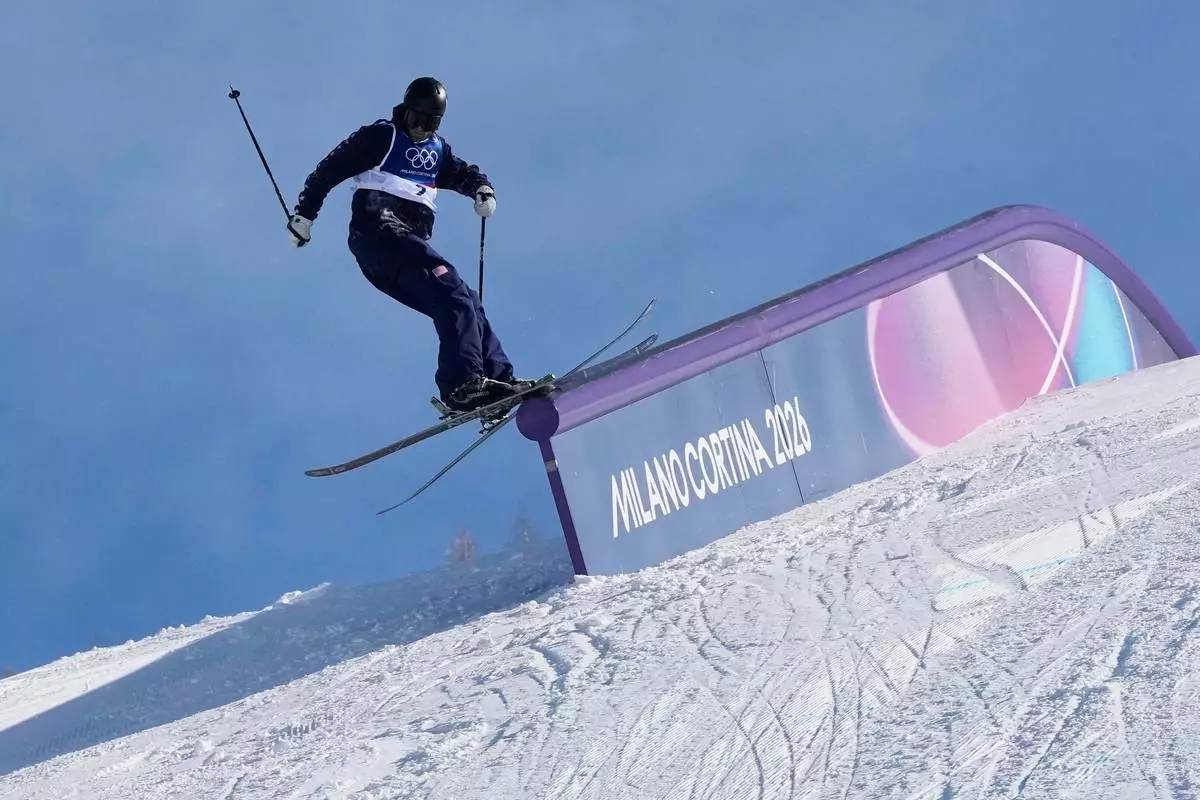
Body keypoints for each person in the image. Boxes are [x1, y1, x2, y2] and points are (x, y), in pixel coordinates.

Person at [286, 76, 535, 415]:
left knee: (465, 301)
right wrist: (305, 215)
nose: (421, 128)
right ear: (405, 111)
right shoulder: (381, 136)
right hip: (380, 235)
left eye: (430, 123)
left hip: (405, 250)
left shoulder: (436, 151)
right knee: (453, 293)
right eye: (417, 119)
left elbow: (464, 173)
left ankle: (496, 382)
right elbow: (328, 170)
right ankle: (461, 385)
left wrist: (481, 189)